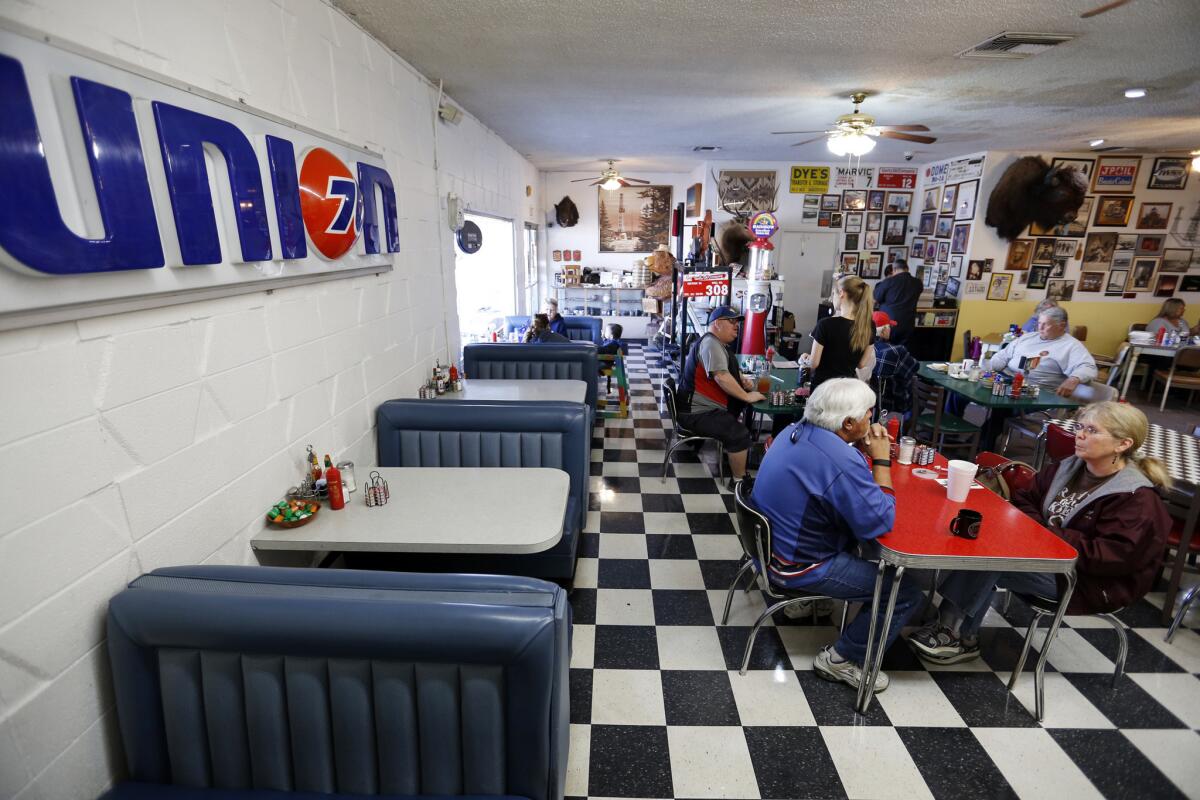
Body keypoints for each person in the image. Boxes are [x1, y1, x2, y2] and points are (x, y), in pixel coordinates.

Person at [909, 401, 1172, 664]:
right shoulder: (1069, 467)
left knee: (996, 555)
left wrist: (1046, 535)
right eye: (1081, 427)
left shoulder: (1136, 498)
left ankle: (952, 633)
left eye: (1092, 431)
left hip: (1088, 580)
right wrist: (1040, 533)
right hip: (1046, 554)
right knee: (989, 542)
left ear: (1122, 444)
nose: (1080, 434)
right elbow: (1025, 498)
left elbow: (1110, 557)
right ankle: (961, 632)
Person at [750, 378, 922, 693]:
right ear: (847, 423)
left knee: (854, 536)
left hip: (769, 551)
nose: (873, 421)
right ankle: (842, 659)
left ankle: (807, 605)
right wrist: (881, 458)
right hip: (797, 567)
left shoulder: (793, 430)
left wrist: (856, 450)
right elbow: (880, 521)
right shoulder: (839, 458)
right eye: (869, 415)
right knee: (904, 590)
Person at [980, 305, 1097, 449]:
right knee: (960, 392)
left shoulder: (1071, 346)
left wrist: (1074, 379)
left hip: (1035, 393)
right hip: (1007, 380)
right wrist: (987, 370)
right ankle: (953, 435)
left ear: (1062, 326)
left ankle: (983, 447)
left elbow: (1088, 367)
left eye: (1045, 324)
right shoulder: (1029, 337)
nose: (1039, 328)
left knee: (1001, 406)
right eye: (1038, 323)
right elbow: (1003, 355)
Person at [678, 306, 765, 489]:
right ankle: (739, 482)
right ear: (717, 323)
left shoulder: (716, 344)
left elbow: (725, 372)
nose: (736, 326)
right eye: (731, 322)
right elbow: (721, 377)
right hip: (696, 413)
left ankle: (734, 457)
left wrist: (741, 381)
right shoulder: (711, 344)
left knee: (735, 426)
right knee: (739, 434)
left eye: (738, 322)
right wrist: (746, 396)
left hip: (700, 408)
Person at [804, 275, 876, 391]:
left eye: (833, 294)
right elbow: (861, 364)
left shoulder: (825, 324)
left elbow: (814, 364)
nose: (832, 298)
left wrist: (806, 358)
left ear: (841, 293)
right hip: (847, 391)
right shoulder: (869, 326)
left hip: (823, 390)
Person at [871, 310, 919, 415]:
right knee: (913, 382)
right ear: (883, 330)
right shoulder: (897, 351)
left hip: (869, 401)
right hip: (893, 402)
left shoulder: (865, 348)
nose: (891, 330)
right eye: (890, 327)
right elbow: (915, 367)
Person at [872, 255, 923, 344]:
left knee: (885, 350)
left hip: (889, 324)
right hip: (908, 324)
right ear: (907, 268)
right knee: (902, 351)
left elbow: (876, 299)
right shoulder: (918, 283)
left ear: (894, 269)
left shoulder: (888, 282)